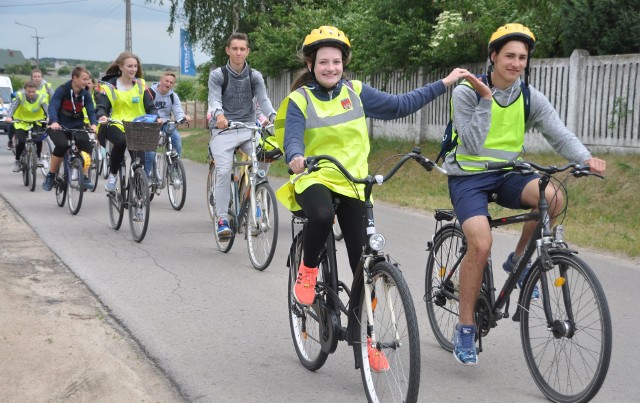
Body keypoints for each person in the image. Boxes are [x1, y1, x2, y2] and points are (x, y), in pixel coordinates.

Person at [277, 26, 470, 318]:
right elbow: (292, 136)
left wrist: (444, 83)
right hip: (314, 176)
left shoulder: (356, 92)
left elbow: (400, 105)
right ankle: (307, 269)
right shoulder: (300, 100)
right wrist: (296, 156)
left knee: (363, 264)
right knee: (322, 215)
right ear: (310, 65)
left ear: (344, 64)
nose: (331, 68)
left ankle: (365, 340)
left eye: (336, 62)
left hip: (352, 181)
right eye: (324, 62)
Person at [443, 23, 606, 366]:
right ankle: (466, 325)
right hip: (469, 177)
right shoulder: (466, 92)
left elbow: (559, 134)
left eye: (522, 57)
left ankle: (518, 259)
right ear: (493, 57)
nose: (516, 63)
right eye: (510, 56)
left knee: (553, 198)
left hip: (507, 174)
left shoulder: (529, 96)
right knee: (481, 243)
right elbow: (471, 142)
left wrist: (585, 158)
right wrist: (487, 99)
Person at [207, 32, 277, 239]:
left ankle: (254, 195)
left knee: (264, 156)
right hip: (223, 130)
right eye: (234, 48)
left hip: (247, 129)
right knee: (223, 170)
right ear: (228, 50)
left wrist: (274, 118)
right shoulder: (218, 75)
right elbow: (214, 99)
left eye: (242, 49)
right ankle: (221, 219)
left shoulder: (254, 76)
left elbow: (263, 100)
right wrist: (219, 114)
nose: (238, 52)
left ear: (247, 51)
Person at [96, 51, 159, 192]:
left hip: (137, 126)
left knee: (139, 164)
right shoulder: (108, 87)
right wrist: (102, 116)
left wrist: (156, 116)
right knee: (122, 142)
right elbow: (102, 106)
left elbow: (150, 106)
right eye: (130, 66)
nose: (133, 69)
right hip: (115, 124)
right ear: (121, 67)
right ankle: (113, 175)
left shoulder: (141, 84)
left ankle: (137, 199)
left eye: (135, 66)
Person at [43, 66, 98, 191]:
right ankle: (51, 175)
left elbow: (90, 110)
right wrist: (54, 122)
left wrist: (94, 124)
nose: (86, 82)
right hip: (59, 125)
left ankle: (84, 177)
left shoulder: (85, 94)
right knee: (62, 145)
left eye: (88, 79)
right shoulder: (62, 90)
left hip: (77, 125)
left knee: (86, 145)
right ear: (75, 78)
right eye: (84, 79)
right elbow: (53, 106)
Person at [146, 71, 191, 174]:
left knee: (177, 141)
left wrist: (183, 117)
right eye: (166, 81)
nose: (168, 84)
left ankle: (174, 169)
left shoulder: (173, 96)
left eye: (171, 82)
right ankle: (146, 174)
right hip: (151, 124)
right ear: (160, 81)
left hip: (166, 123)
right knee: (150, 153)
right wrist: (154, 119)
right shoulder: (150, 93)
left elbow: (178, 111)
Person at [5, 80, 48, 172]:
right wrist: (9, 117)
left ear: (36, 90)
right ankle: (17, 161)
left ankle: (39, 157)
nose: (31, 94)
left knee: (38, 140)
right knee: (21, 141)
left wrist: (49, 118)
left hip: (36, 122)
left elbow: (47, 109)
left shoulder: (41, 98)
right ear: (25, 90)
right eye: (29, 92)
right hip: (21, 122)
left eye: (33, 92)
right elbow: (13, 107)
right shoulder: (20, 96)